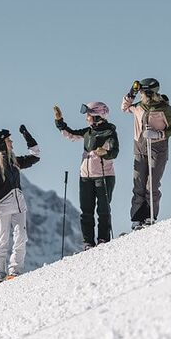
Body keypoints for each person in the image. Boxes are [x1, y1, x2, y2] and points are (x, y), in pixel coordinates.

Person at [0, 125, 40, 285]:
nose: (11, 142)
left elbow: (35, 155)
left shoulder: (14, 161)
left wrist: (27, 135)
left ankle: (15, 271)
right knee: (2, 240)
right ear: (1, 144)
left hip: (19, 204)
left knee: (21, 237)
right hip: (1, 206)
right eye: (8, 140)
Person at [53, 102, 119, 250]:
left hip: (104, 175)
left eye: (88, 115)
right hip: (85, 177)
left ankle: (103, 239)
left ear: (97, 116)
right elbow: (70, 134)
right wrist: (59, 121)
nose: (86, 118)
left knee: (103, 210)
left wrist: (105, 153)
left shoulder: (109, 132)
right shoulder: (87, 132)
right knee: (86, 211)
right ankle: (88, 243)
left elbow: (115, 151)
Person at [121, 77, 171, 228]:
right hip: (140, 149)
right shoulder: (139, 106)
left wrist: (160, 134)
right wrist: (131, 93)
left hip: (158, 150)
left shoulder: (164, 108)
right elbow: (124, 107)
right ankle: (137, 218)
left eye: (141, 93)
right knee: (138, 184)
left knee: (151, 185)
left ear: (148, 93)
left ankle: (150, 217)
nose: (140, 96)